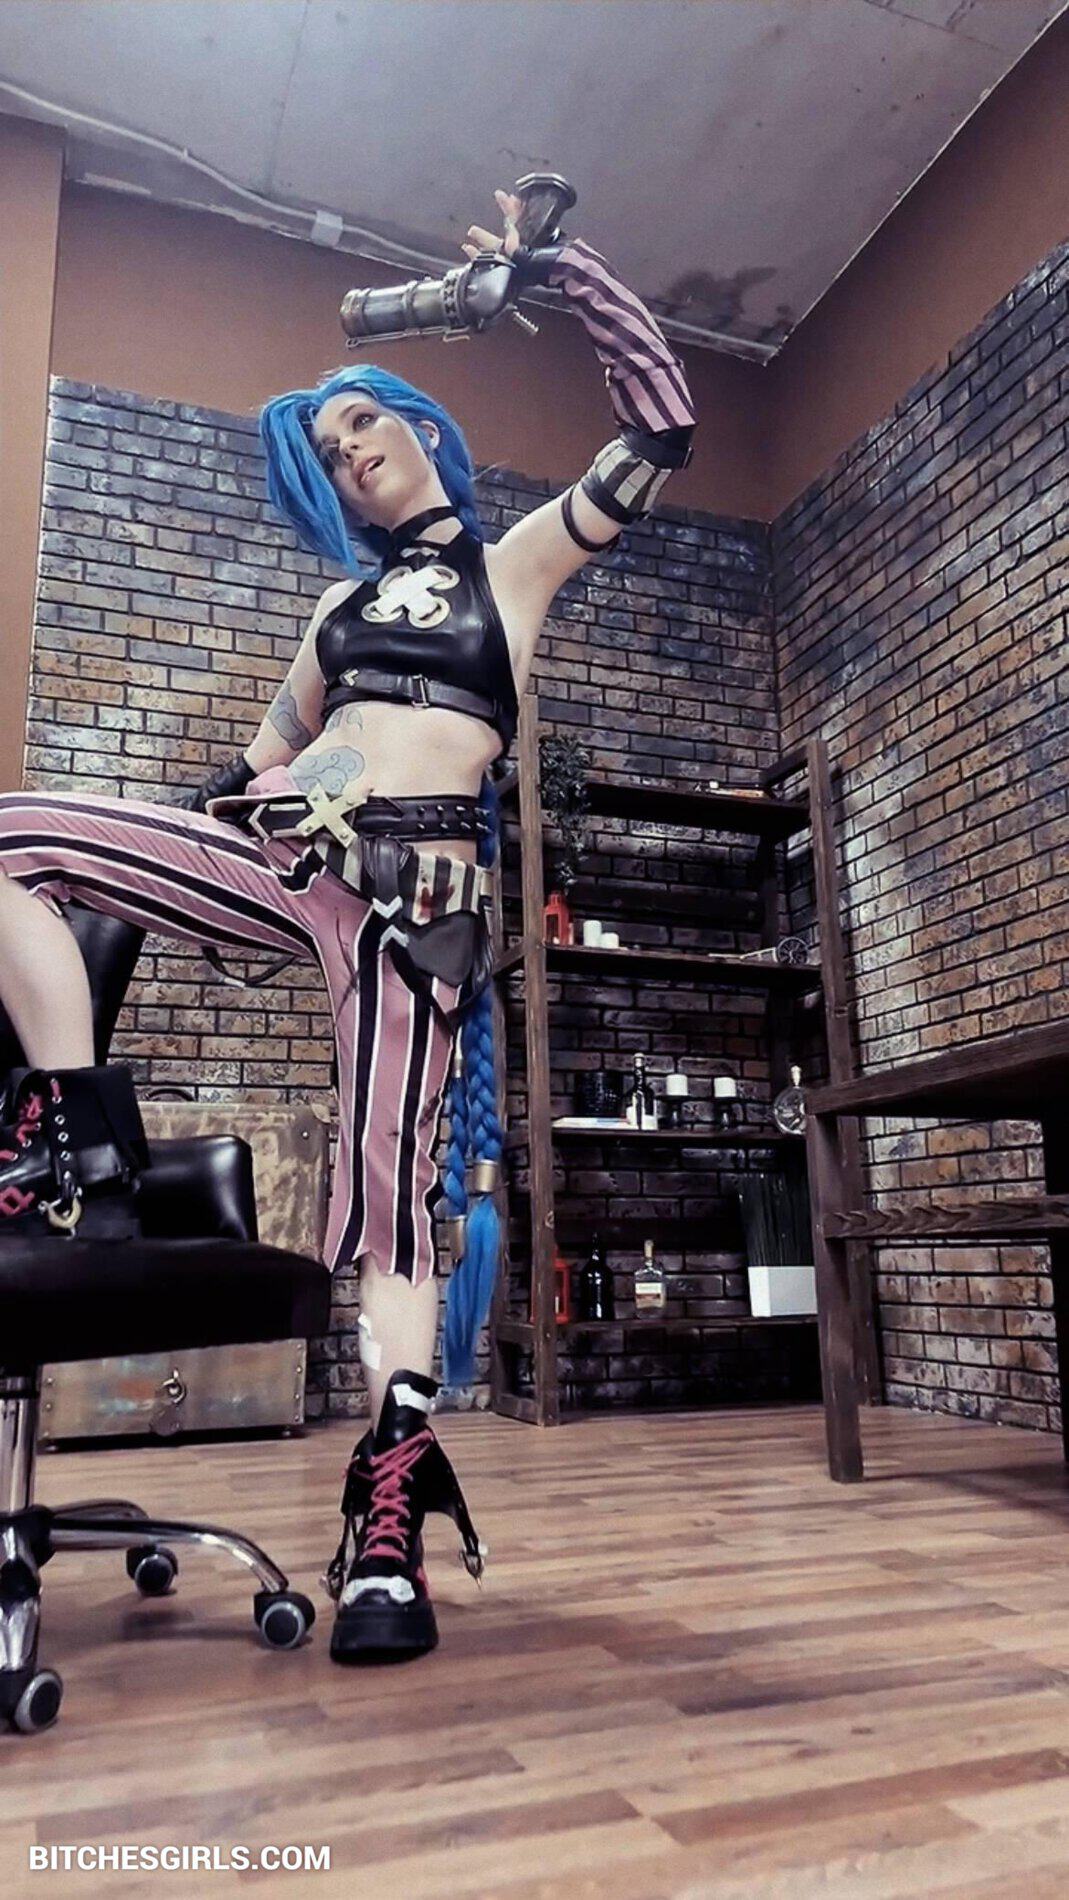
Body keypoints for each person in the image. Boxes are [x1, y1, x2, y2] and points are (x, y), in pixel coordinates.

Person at [0, 189, 695, 1663]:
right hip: (285, 859)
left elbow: (660, 428)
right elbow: (252, 772)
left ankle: (388, 1502)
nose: (350, 451)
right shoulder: (331, 615)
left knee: (386, 1197)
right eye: (326, 451)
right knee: (17, 834)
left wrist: (564, 274)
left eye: (363, 424)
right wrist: (197, 833)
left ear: (419, 427)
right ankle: (78, 1145)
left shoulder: (514, 570)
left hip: (414, 902)